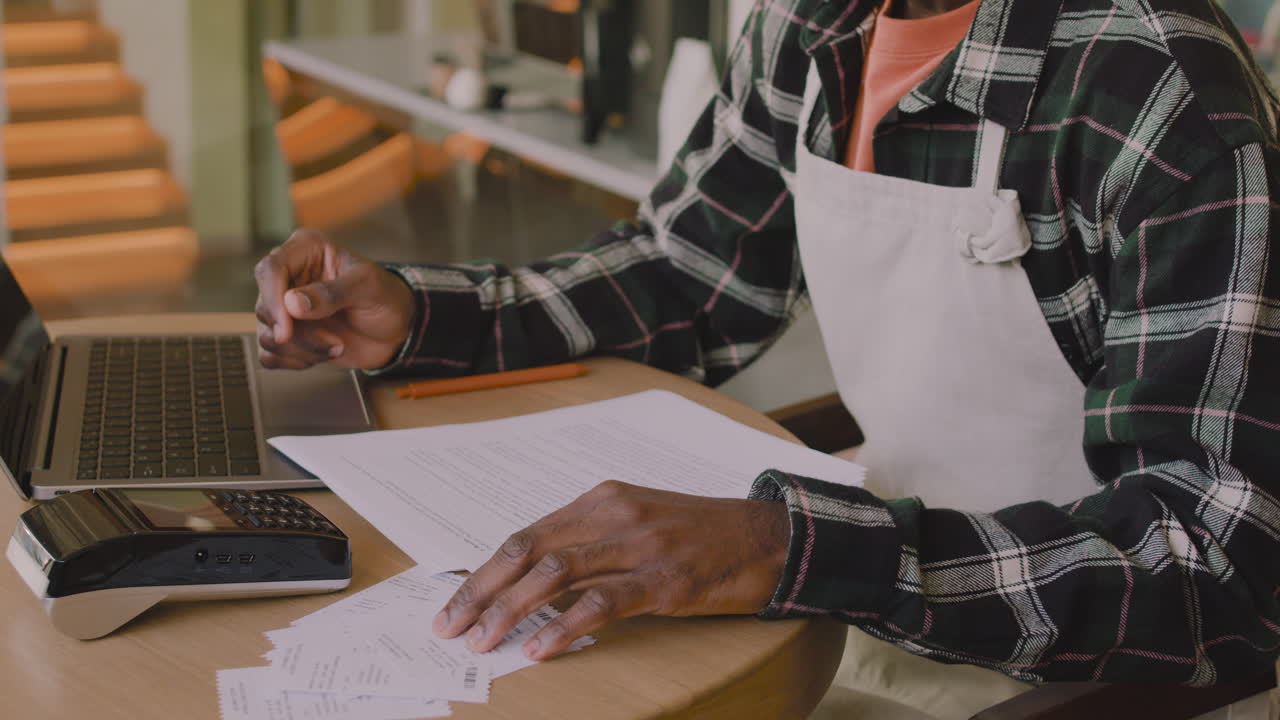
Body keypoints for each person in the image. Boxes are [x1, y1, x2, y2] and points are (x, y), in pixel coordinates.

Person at [255, 0, 1280, 716]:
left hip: (1078, 676)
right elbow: (687, 277)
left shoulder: (1164, 94)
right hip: (846, 602)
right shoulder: (812, 24)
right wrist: (421, 317)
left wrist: (784, 547)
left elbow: (1220, 568)